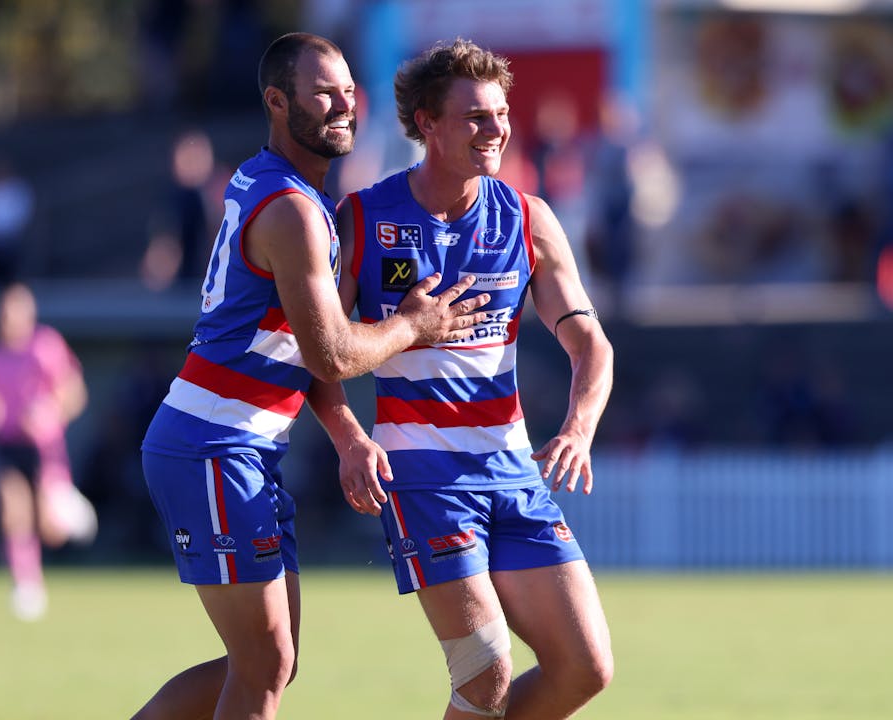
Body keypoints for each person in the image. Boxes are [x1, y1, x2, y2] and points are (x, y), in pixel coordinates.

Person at [134, 32, 490, 720]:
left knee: (273, 659)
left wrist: (349, 436)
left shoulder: (282, 186)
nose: (343, 105)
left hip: (235, 447)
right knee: (265, 664)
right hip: (212, 445)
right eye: (323, 92)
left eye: (349, 90)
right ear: (277, 102)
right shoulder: (295, 211)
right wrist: (415, 327)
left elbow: (306, 352)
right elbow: (329, 354)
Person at [329, 38, 615, 718]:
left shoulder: (527, 219)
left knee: (586, 668)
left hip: (513, 470)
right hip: (422, 476)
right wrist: (347, 437)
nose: (497, 129)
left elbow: (592, 345)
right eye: (477, 116)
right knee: (485, 670)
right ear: (427, 123)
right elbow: (316, 352)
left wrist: (579, 426)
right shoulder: (366, 219)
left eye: (501, 113)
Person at [0, 282, 96, 620]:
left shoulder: (46, 346)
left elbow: (74, 393)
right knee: (13, 508)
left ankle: (68, 512)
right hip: (7, 446)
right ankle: (26, 583)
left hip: (44, 448)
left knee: (49, 527)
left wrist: (50, 411)